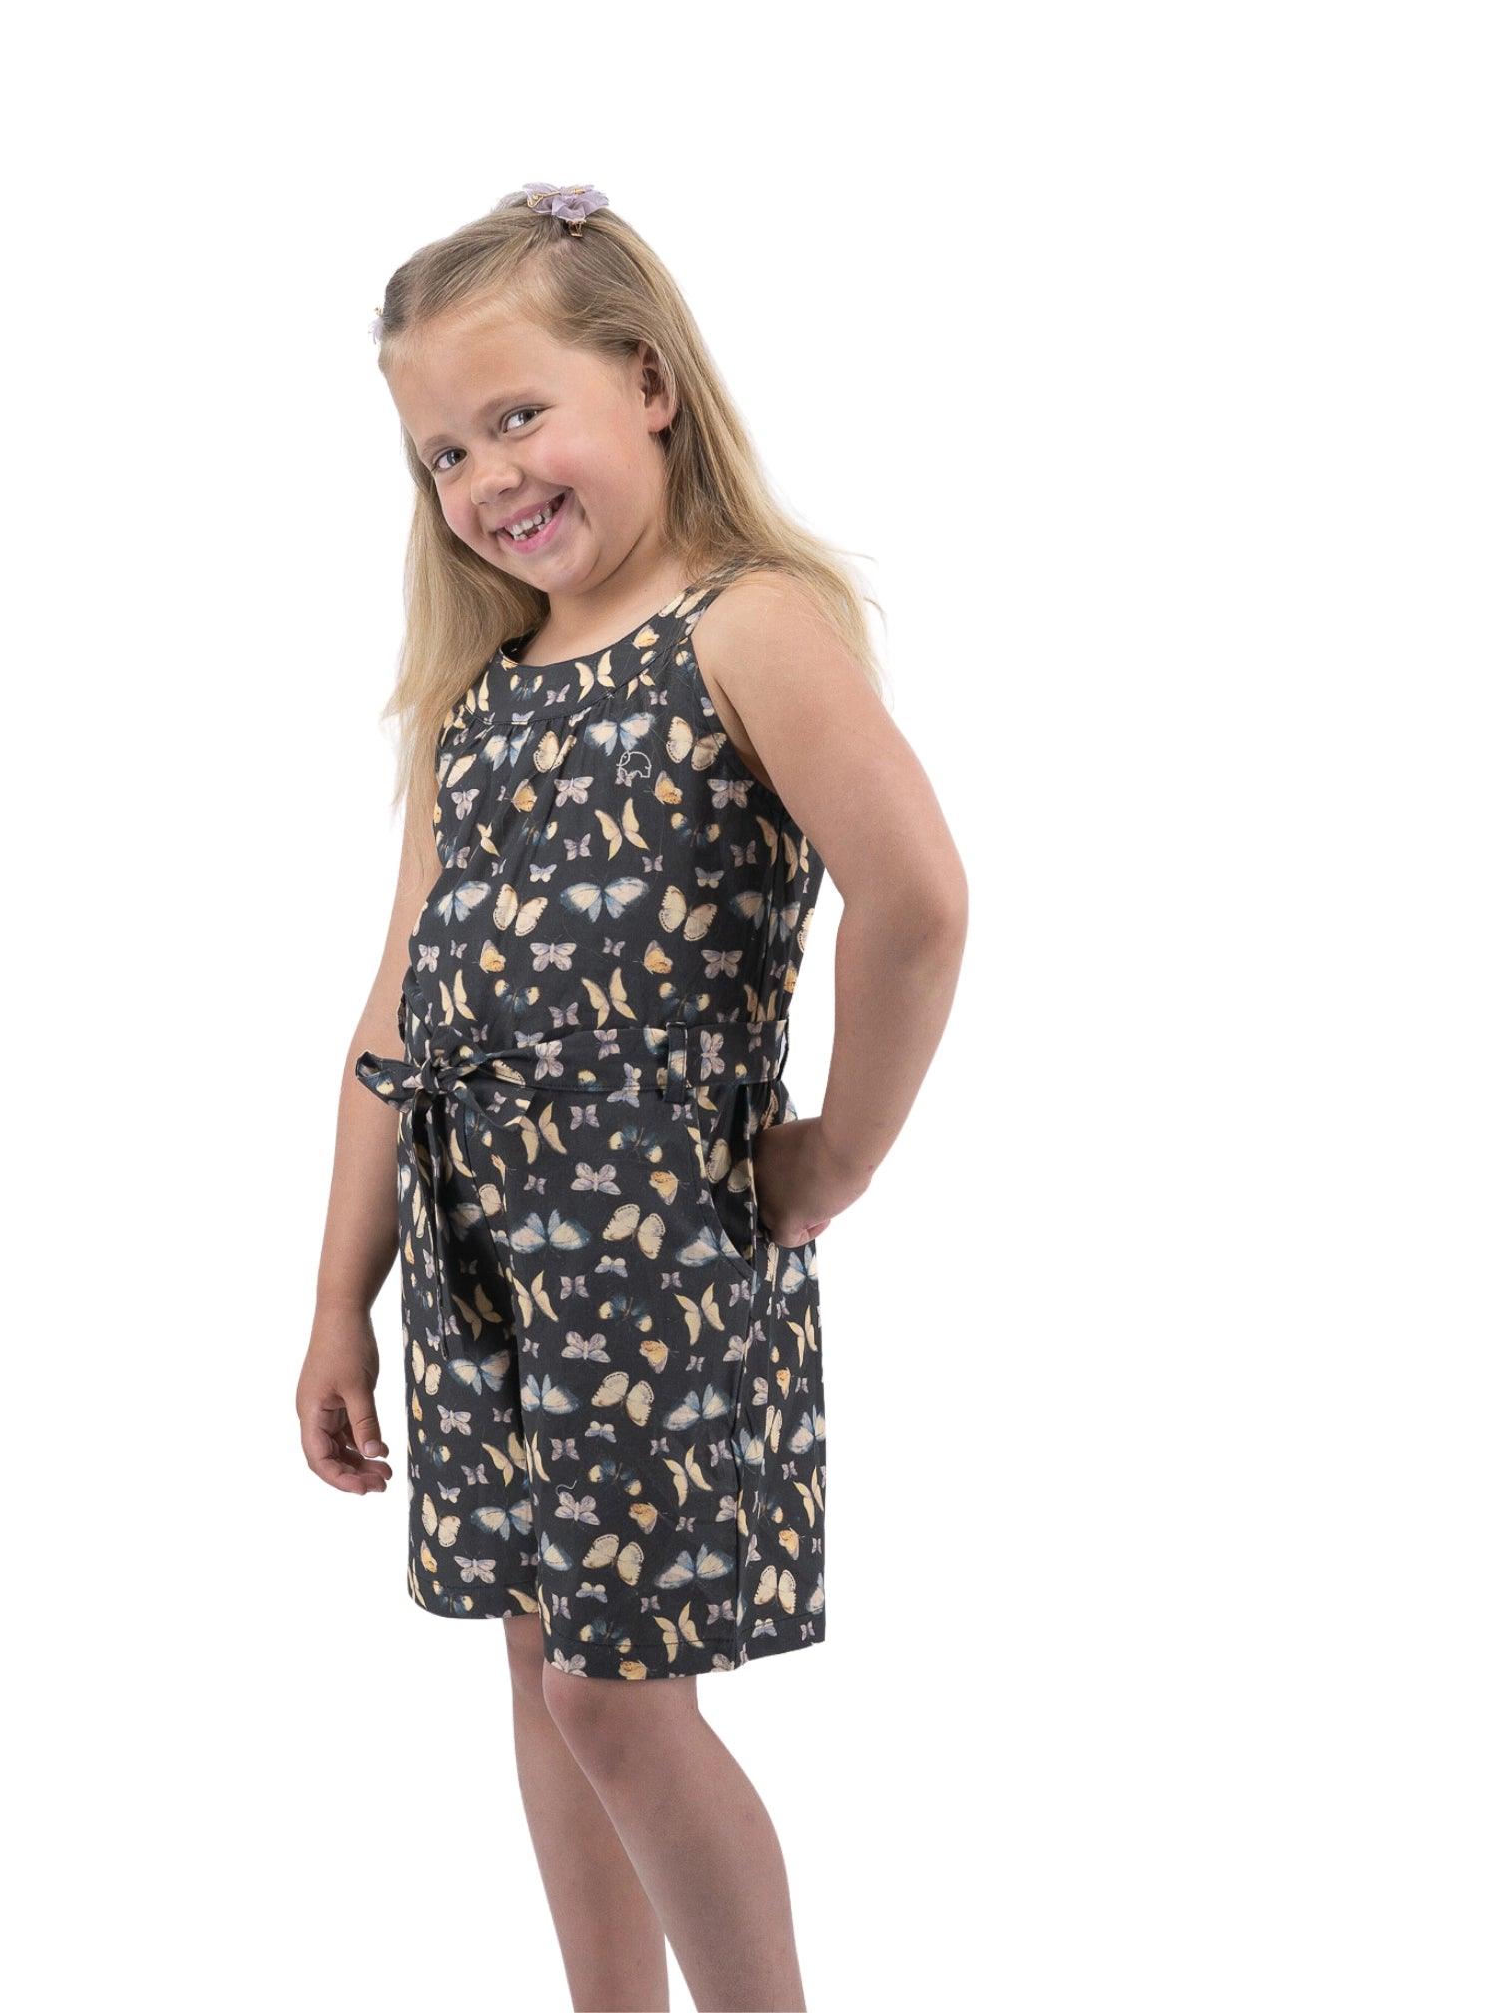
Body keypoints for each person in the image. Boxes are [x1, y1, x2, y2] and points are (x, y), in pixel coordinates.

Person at [298, 181, 968, 2012]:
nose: (486, 477)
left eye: (519, 415)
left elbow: (919, 901)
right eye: (444, 450)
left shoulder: (747, 632)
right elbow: (397, 1010)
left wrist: (835, 1149)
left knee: (613, 1692)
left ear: (650, 384)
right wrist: (336, 1295)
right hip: (483, 1275)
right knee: (536, 1664)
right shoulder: (477, 703)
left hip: (657, 1270)